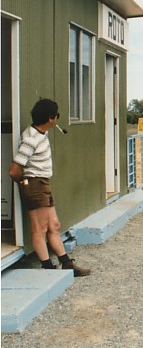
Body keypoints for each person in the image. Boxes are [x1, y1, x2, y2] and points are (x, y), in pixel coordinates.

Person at [9, 99, 91, 277]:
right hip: (35, 184)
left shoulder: (40, 133)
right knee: (40, 229)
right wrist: (26, 184)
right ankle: (48, 268)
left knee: (54, 225)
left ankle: (67, 264)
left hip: (43, 183)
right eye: (56, 115)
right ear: (50, 119)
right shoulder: (31, 139)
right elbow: (14, 170)